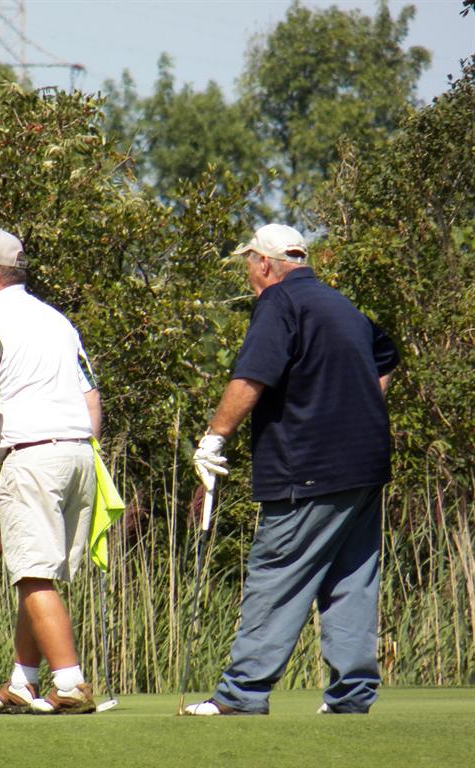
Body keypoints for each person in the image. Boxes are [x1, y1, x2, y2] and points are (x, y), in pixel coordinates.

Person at [184, 223, 400, 716]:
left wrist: (214, 439)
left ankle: (242, 694)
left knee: (277, 573)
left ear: (265, 264)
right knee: (352, 578)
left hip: (308, 467)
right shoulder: (341, 306)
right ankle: (352, 697)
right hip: (364, 464)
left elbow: (251, 377)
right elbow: (386, 359)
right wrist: (355, 406)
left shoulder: (278, 304)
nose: (247, 272)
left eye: (248, 262)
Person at [0, 228, 102, 715]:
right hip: (80, 454)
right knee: (35, 574)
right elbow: (90, 398)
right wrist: (79, 444)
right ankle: (22, 681)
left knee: (33, 576)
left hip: (32, 458)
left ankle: (72, 683)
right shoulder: (57, 321)